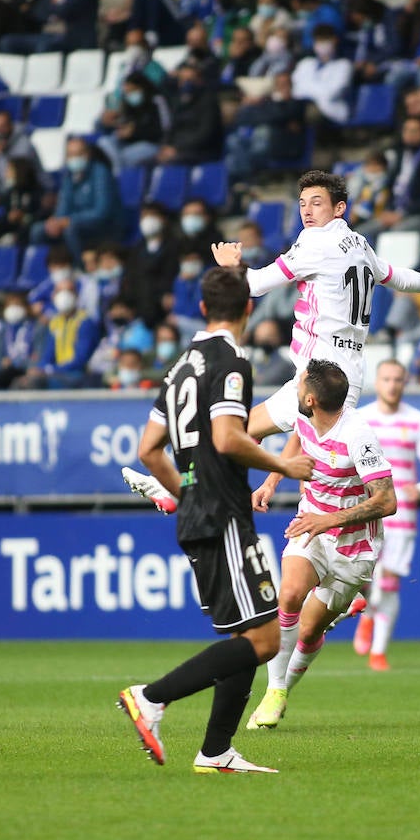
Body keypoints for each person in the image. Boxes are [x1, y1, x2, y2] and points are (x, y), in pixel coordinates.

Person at [117, 267, 315, 775]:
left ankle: (216, 751)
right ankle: (152, 697)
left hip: (200, 512)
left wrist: (187, 492)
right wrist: (284, 465)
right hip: (224, 514)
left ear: (203, 309)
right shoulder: (230, 361)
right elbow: (228, 438)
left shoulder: (182, 365)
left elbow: (148, 449)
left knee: (245, 636)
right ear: (249, 308)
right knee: (267, 640)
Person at [209, 170, 420, 440]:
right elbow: (393, 275)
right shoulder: (360, 244)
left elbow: (256, 285)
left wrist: (231, 265)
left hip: (321, 377)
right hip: (343, 375)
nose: (307, 211)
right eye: (303, 203)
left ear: (339, 208)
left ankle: (196, 481)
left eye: (317, 203)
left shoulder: (315, 242)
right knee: (250, 438)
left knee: (236, 437)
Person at [243, 360, 396, 729]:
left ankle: (293, 673)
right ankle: (275, 692)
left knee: (309, 632)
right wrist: (271, 482)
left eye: (298, 389)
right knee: (289, 595)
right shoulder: (307, 417)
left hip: (353, 548)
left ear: (310, 399)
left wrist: (327, 520)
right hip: (311, 526)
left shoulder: (357, 434)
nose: (292, 392)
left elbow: (387, 501)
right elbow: (298, 438)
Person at [349, 359, 420, 670]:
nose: (392, 385)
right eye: (386, 379)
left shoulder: (417, 420)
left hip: (401, 514)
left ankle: (378, 650)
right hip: (366, 510)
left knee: (389, 582)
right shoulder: (360, 419)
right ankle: (370, 614)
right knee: (365, 575)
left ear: (405, 383)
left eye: (397, 379)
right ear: (378, 382)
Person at [32, 138, 121, 260]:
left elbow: (101, 212)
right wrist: (56, 220)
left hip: (104, 225)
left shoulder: (100, 172)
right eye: (71, 155)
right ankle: (50, 269)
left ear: (87, 154)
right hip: (75, 223)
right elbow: (64, 204)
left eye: (79, 154)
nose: (75, 158)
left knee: (71, 229)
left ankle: (79, 269)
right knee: (38, 230)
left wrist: (68, 220)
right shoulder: (69, 176)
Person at [16, 278, 98, 388]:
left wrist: (48, 370)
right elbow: (48, 355)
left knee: (36, 383)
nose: (64, 295)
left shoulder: (85, 322)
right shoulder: (55, 322)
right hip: (56, 373)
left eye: (69, 291)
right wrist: (39, 369)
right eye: (59, 291)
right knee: (20, 381)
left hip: (76, 374)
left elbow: (80, 360)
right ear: (53, 295)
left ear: (77, 295)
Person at [0, 292, 47, 390]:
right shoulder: (0, 329)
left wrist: (15, 362)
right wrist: (3, 363)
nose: (14, 309)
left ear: (25, 308)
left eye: (17, 305)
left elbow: (38, 355)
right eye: (10, 305)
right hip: (6, 372)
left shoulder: (36, 327)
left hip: (27, 370)